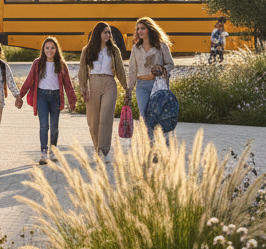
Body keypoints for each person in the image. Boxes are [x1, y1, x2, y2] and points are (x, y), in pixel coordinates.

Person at [19, 36, 76, 165]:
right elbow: (29, 80)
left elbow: (68, 84)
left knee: (54, 127)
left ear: (56, 49)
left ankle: (54, 150)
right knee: (44, 126)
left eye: (52, 48)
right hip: (42, 97)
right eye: (47, 48)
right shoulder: (37, 63)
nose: (50, 50)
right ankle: (44, 153)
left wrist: (72, 101)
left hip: (56, 97)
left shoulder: (61, 64)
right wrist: (20, 95)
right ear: (43, 49)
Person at [77, 22, 129, 161]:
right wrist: (83, 88)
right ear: (98, 34)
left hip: (109, 84)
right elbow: (82, 72)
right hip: (92, 84)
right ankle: (97, 148)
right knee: (93, 121)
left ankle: (104, 151)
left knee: (105, 118)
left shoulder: (114, 50)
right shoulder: (87, 50)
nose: (108, 35)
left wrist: (127, 88)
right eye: (105, 32)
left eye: (109, 32)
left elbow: (120, 71)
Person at [125, 17, 176, 124]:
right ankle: (147, 140)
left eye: (142, 28)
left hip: (157, 84)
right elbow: (132, 70)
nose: (139, 31)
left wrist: (162, 69)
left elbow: (171, 64)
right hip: (141, 86)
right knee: (143, 116)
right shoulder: (136, 48)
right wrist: (129, 91)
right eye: (138, 29)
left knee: (156, 116)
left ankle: (157, 139)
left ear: (150, 29)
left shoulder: (161, 46)